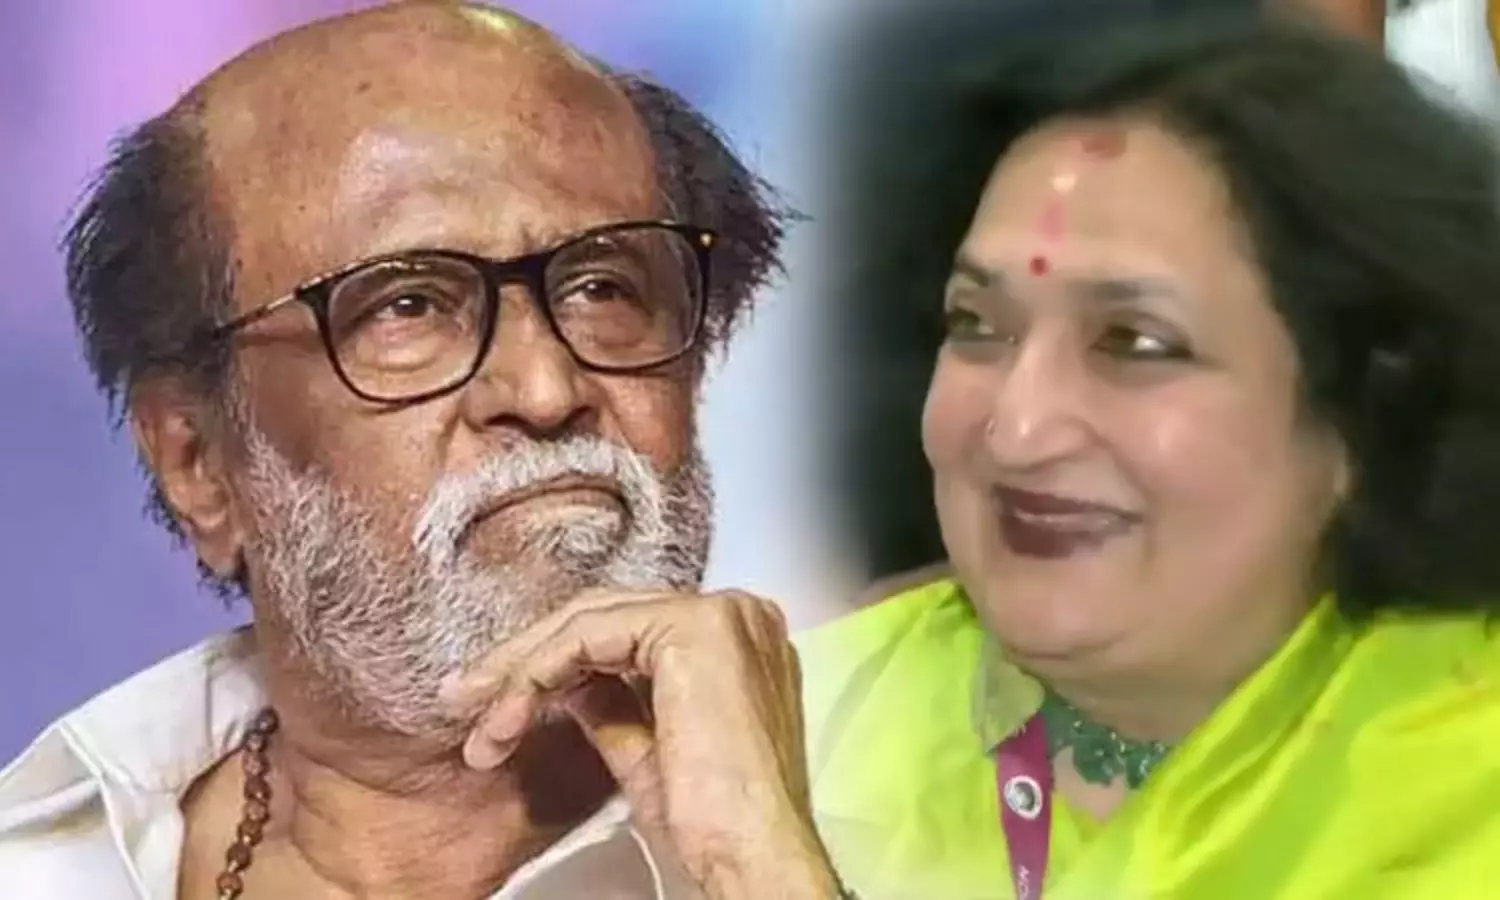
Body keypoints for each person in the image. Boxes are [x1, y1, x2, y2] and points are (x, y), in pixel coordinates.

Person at [0, 4, 849, 899]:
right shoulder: (51, 867)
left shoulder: (892, 825)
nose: (545, 390)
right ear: (198, 463)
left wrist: (766, 873)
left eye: (604, 287)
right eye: (408, 307)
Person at [803, 10, 1500, 899]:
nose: (1017, 428)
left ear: (1364, 412)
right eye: (977, 325)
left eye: (1135, 341)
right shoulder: (795, 714)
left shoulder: (1465, 792)